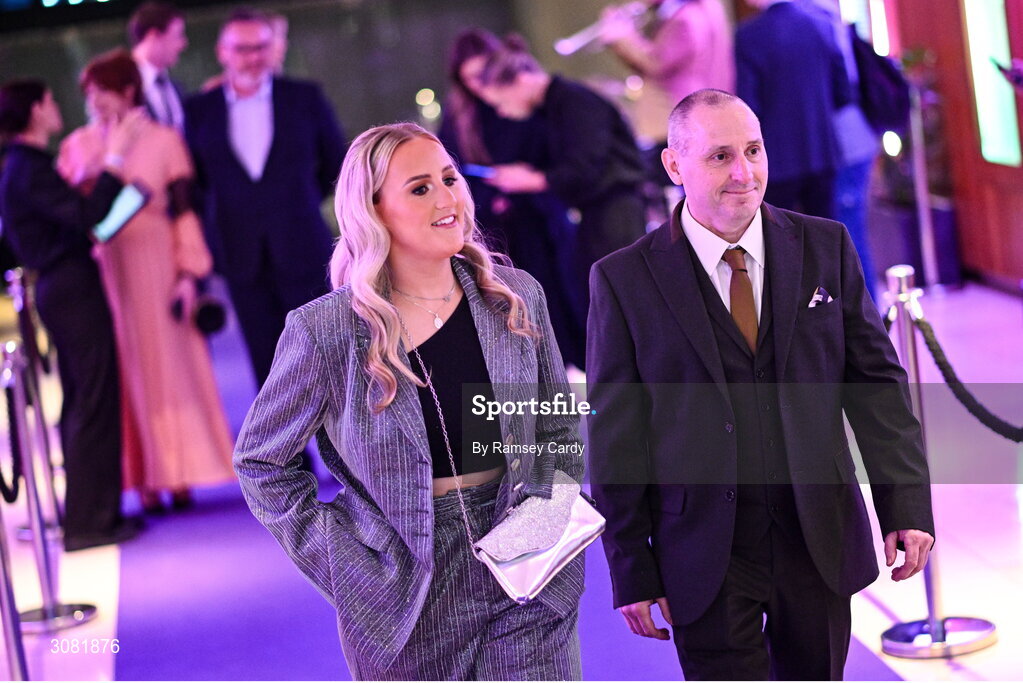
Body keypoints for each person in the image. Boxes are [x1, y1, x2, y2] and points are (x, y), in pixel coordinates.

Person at [586, 89, 934, 680]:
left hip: (817, 536)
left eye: (753, 150)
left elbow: (876, 386)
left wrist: (905, 503)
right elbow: (616, 433)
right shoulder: (623, 280)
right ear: (674, 165)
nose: (744, 173)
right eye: (720, 156)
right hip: (701, 550)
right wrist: (631, 565)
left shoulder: (825, 246)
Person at [234, 122, 585, 680]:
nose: (447, 198)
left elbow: (556, 431)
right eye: (420, 188)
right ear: (373, 210)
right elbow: (261, 463)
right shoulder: (326, 331)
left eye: (449, 179)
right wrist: (345, 564)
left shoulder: (514, 297)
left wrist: (544, 532)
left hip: (525, 561)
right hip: (403, 585)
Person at [58, 49, 235, 514]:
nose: (95, 100)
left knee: (173, 369)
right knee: (124, 371)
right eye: (89, 92)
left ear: (128, 89)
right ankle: (143, 481)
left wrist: (189, 273)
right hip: (105, 268)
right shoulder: (78, 145)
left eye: (103, 90)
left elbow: (184, 211)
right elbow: (69, 212)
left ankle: (179, 474)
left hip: (158, 264)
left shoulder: (164, 140)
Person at [0, 79, 145, 551]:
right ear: (34, 111)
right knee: (92, 397)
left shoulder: (25, 166)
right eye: (48, 100)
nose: (56, 105)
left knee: (87, 395)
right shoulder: (27, 168)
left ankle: (94, 514)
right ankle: (90, 521)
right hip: (69, 286)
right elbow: (86, 216)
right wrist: (115, 157)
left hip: (65, 284)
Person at [185, 8, 347, 388]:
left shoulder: (305, 97)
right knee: (268, 365)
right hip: (240, 256)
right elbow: (197, 183)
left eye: (261, 47)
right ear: (223, 52)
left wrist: (298, 201)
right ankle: (283, 431)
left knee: (328, 356)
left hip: (304, 246)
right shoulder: (199, 111)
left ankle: (338, 429)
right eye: (243, 49)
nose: (253, 57)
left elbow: (336, 164)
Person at [477, 37, 646, 368]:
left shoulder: (574, 102)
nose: (502, 111)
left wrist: (532, 180)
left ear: (520, 80)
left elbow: (585, 167)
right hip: (600, 212)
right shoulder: (555, 107)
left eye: (500, 101)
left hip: (616, 211)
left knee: (622, 300)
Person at [438, 29, 583, 370]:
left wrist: (526, 181)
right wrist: (494, 197)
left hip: (542, 220)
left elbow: (556, 158)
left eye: (482, 74)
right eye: (469, 79)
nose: (479, 85)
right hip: (498, 233)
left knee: (564, 306)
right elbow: (456, 175)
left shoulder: (529, 106)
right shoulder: (459, 119)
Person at [736, 0, 851, 219]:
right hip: (822, 150)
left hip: (776, 156)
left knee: (778, 234)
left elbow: (749, 106)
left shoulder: (749, 34)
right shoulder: (822, 25)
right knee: (825, 232)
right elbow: (843, 93)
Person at [599, 0, 734, 157]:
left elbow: (655, 63)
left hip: (674, 111)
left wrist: (622, 35)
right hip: (689, 111)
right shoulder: (705, 8)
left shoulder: (685, 18)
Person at [128, 0, 188, 130]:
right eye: (177, 36)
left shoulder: (175, 87)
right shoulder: (121, 86)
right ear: (153, 36)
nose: (183, 44)